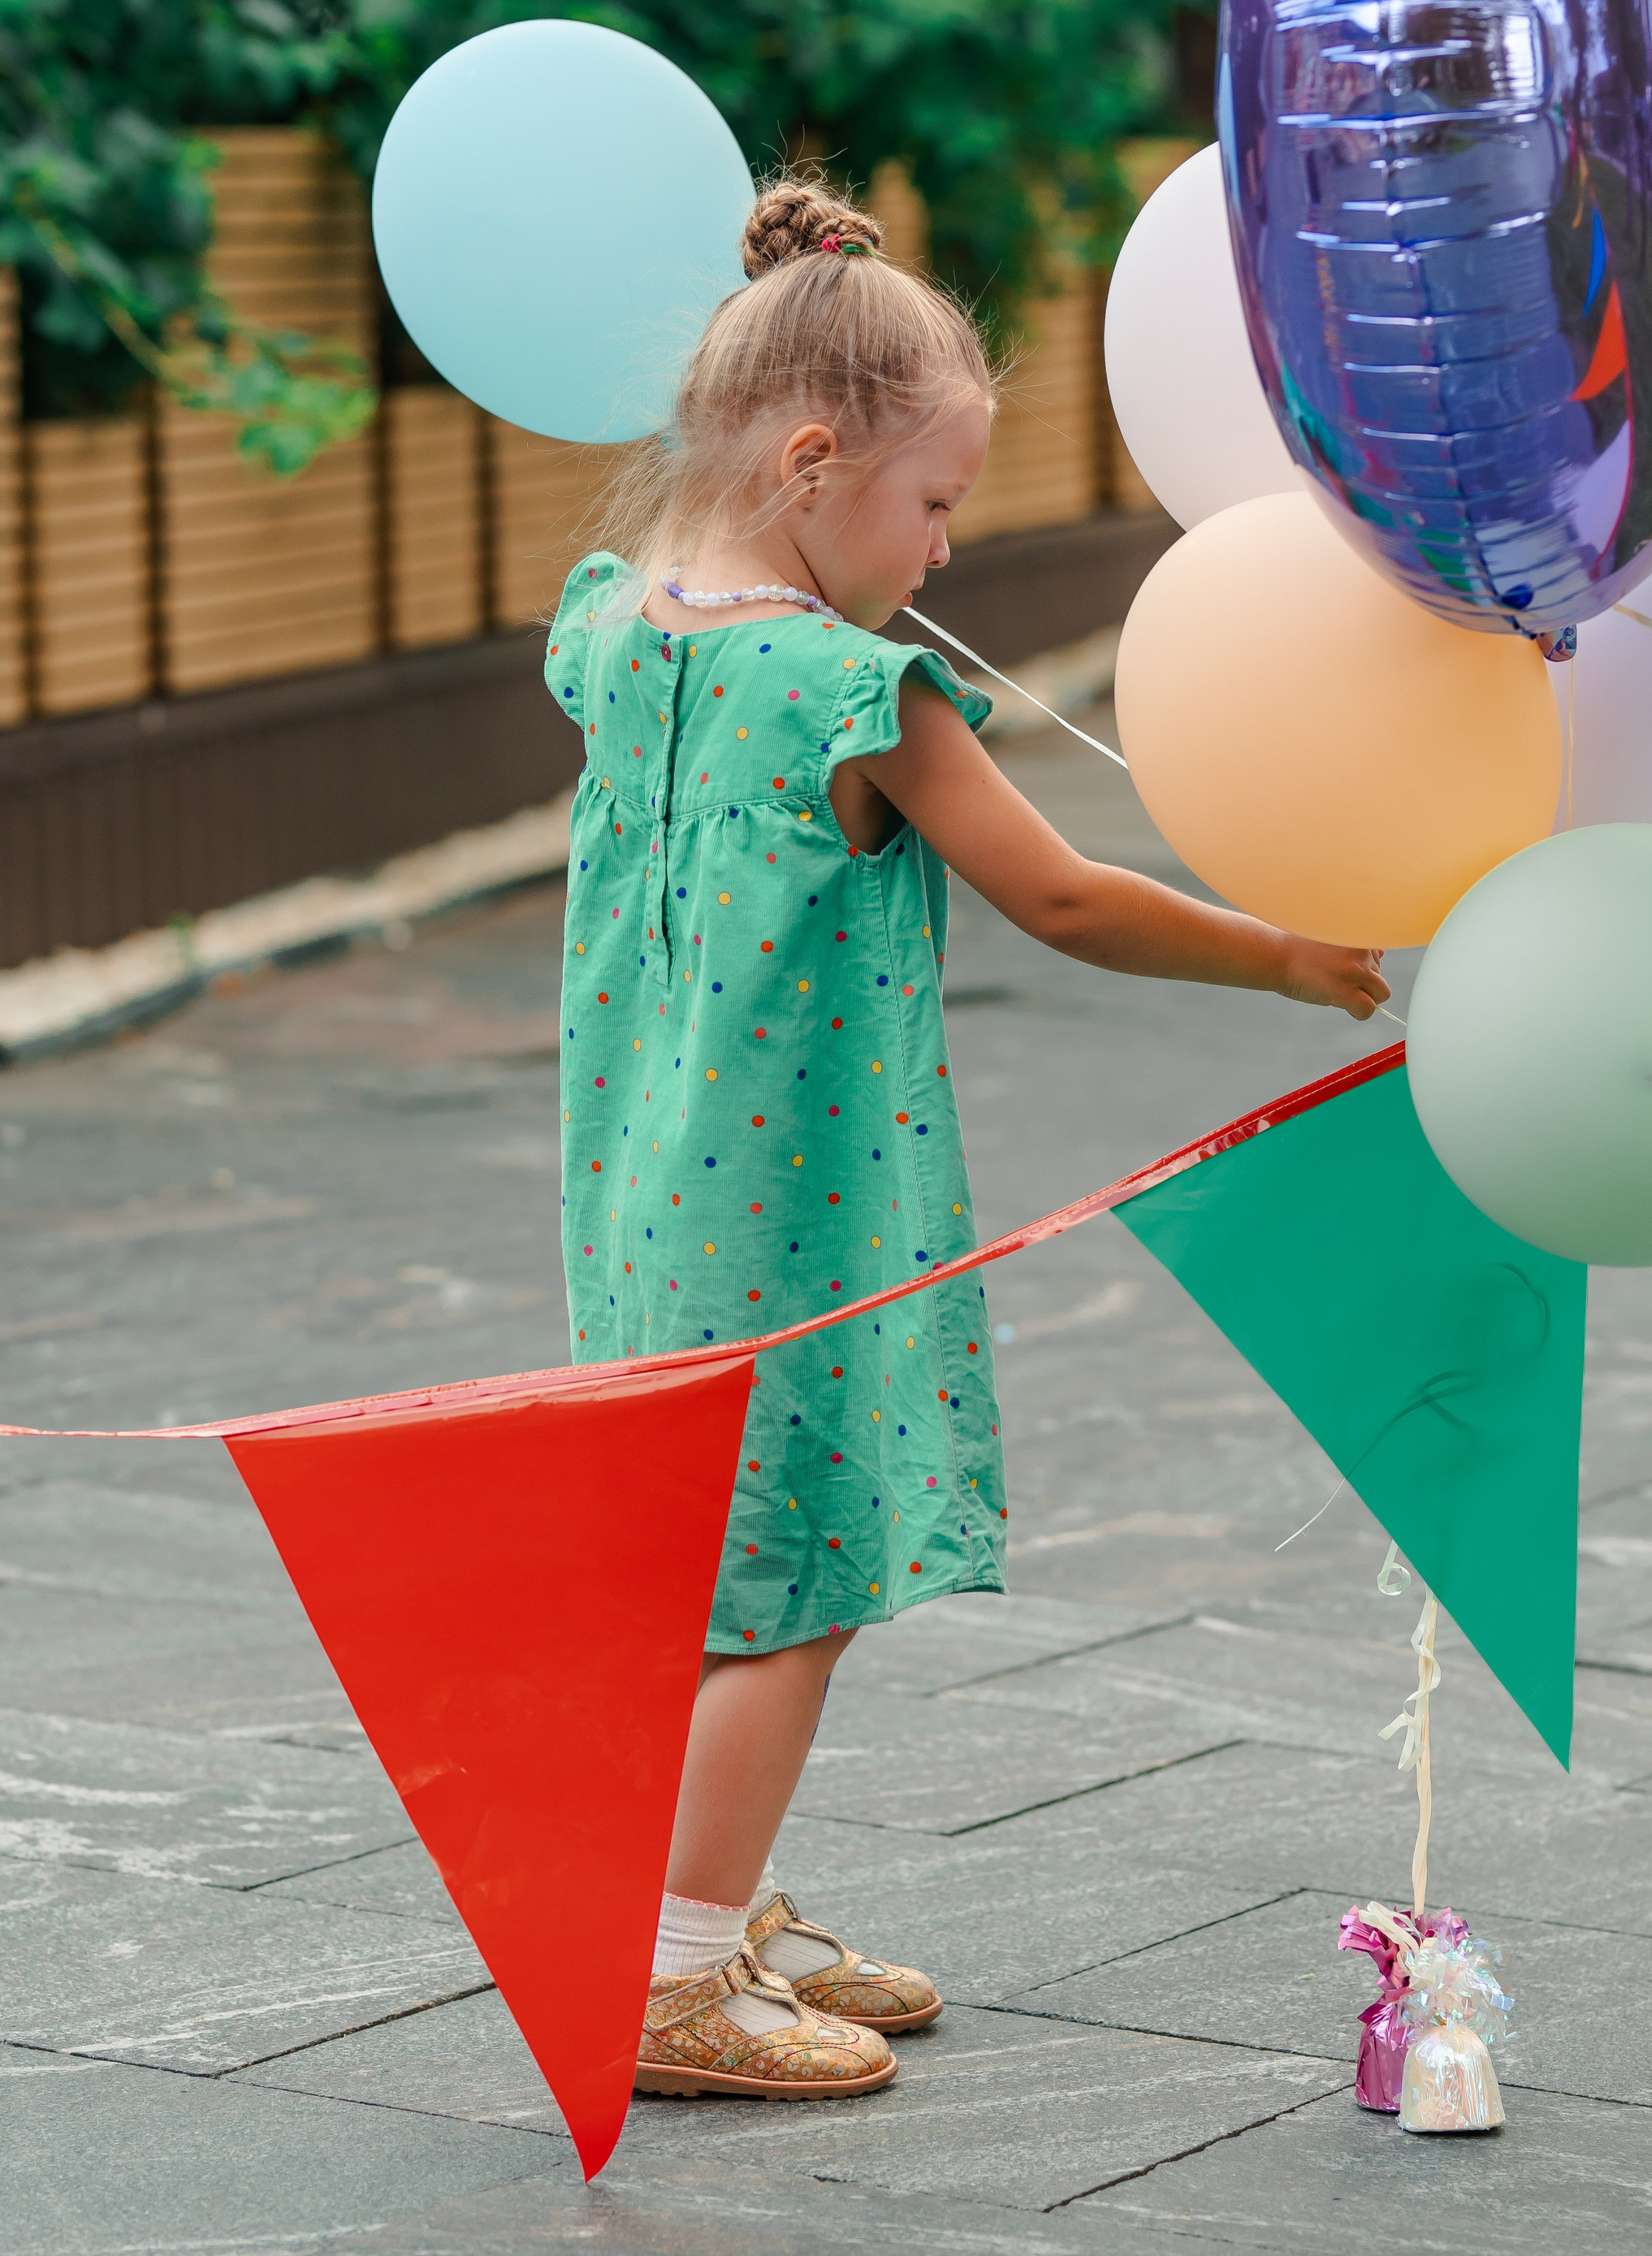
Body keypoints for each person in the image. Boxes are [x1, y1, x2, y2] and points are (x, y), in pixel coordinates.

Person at [545, 179, 1388, 2102]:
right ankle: (668, 1978)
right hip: (793, 1216)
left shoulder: (610, 632)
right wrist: (1280, 957)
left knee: (706, 1569)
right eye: (928, 508)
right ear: (812, 456)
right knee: (798, 1586)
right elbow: (1067, 898)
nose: (937, 554)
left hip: (637, 1185)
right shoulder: (855, 690)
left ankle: (709, 1908)